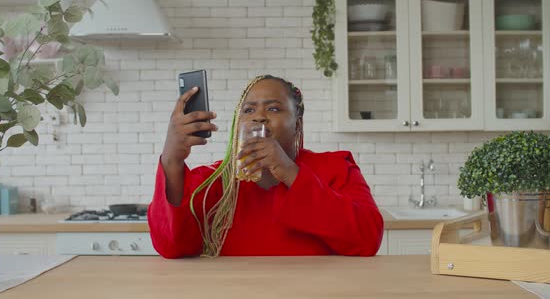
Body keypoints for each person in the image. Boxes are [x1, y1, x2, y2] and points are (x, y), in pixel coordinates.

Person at [148, 75, 384, 258]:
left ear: (297, 123)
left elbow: (368, 240)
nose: (258, 117)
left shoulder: (336, 168)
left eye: (273, 109)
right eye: (248, 110)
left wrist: (290, 173)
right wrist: (171, 159)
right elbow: (171, 246)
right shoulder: (213, 182)